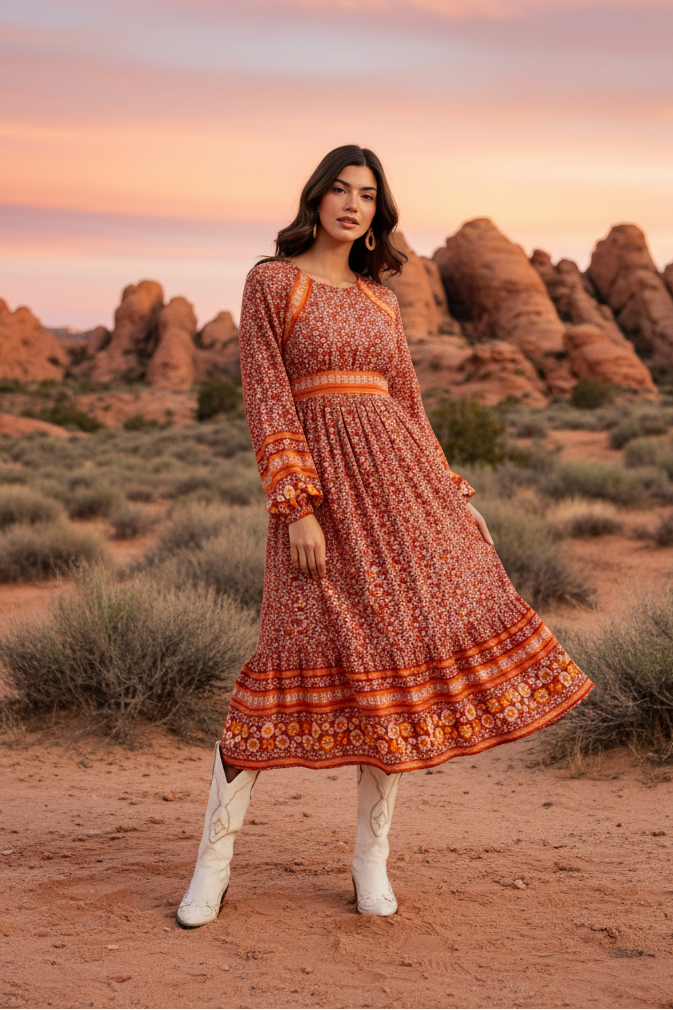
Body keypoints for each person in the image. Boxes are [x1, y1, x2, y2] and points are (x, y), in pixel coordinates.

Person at [176, 145, 592, 928]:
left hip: (399, 495)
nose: (351, 204)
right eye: (339, 189)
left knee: (390, 670)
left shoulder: (380, 301)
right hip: (321, 504)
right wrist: (296, 503)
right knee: (276, 664)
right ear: (316, 197)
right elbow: (267, 397)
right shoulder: (273, 281)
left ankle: (370, 860)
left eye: (366, 195)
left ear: (377, 212)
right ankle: (214, 865)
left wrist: (453, 495)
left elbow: (407, 403)